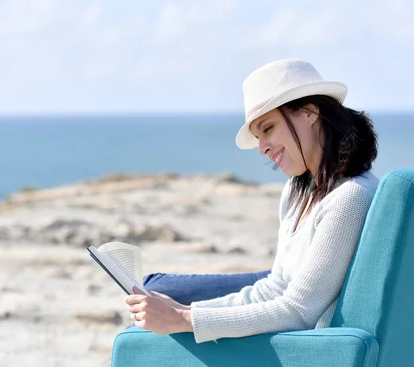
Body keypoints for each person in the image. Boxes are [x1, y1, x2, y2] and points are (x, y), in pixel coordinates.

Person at [125, 58, 379, 344]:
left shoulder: (350, 197)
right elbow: (274, 288)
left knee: (159, 294)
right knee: (160, 294)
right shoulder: (298, 192)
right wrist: (186, 310)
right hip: (291, 339)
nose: (262, 148)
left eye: (267, 128)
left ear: (309, 112)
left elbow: (299, 312)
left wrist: (185, 320)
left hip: (305, 349)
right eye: (258, 136)